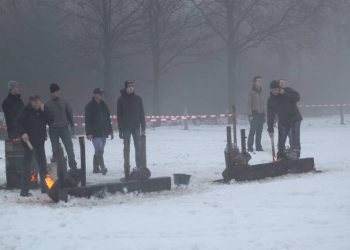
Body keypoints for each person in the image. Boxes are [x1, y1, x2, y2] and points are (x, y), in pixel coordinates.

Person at [17, 95, 54, 197]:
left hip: (39, 142)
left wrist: (44, 110)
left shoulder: (42, 110)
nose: (36, 104)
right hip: (28, 143)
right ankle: (24, 191)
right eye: (34, 102)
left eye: (38, 102)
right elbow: (19, 123)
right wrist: (22, 133)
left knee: (43, 166)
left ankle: (45, 188)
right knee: (27, 166)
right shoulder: (25, 110)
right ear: (31, 102)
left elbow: (51, 121)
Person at [45, 83, 79, 173]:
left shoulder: (65, 102)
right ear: (52, 93)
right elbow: (45, 117)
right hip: (53, 129)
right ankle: (57, 169)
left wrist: (72, 125)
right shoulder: (47, 104)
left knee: (69, 148)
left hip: (64, 128)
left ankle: (73, 167)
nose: (57, 93)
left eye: (58, 91)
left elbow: (69, 113)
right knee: (55, 150)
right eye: (56, 92)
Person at [117, 80, 146, 180]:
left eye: (132, 86)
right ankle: (126, 168)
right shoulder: (121, 100)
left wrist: (143, 127)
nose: (131, 88)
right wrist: (120, 130)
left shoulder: (138, 99)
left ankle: (139, 167)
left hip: (136, 127)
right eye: (129, 86)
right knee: (126, 149)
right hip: (126, 128)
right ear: (126, 88)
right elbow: (119, 116)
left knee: (138, 147)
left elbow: (142, 113)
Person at [267, 80, 302, 160]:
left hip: (294, 119)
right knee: (281, 141)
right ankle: (280, 156)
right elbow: (270, 115)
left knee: (295, 139)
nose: (274, 91)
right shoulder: (271, 100)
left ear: (279, 88)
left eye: (276, 89)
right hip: (283, 121)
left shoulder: (287, 90)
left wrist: (284, 94)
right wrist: (270, 129)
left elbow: (297, 98)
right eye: (272, 90)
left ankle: (295, 154)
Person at [85, 88, 113, 175]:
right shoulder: (89, 106)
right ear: (95, 95)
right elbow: (87, 120)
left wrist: (110, 131)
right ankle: (103, 167)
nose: (102, 95)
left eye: (102, 94)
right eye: (100, 94)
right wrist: (89, 133)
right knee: (99, 149)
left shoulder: (104, 105)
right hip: (95, 132)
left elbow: (108, 119)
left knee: (99, 151)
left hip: (103, 132)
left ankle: (95, 168)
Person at [247, 76, 265, 152]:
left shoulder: (261, 92)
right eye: (258, 81)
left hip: (261, 114)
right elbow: (248, 104)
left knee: (259, 131)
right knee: (252, 131)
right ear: (254, 82)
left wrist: (264, 114)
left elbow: (263, 104)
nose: (259, 82)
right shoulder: (251, 91)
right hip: (254, 113)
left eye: (260, 81)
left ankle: (258, 146)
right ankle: (250, 147)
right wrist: (250, 114)